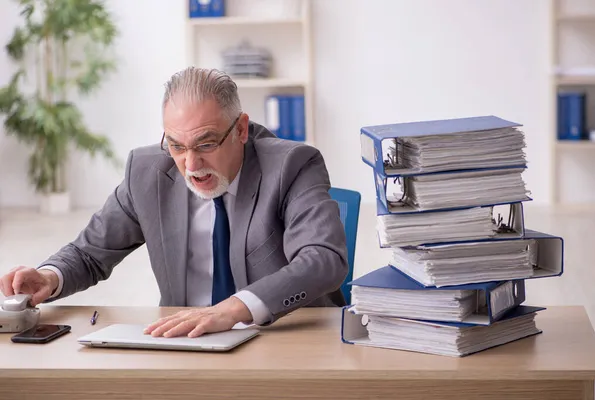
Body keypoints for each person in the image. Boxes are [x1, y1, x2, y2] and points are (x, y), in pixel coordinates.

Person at [0, 67, 349, 338]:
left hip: (282, 339)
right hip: (188, 342)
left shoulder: (292, 165)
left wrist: (233, 309)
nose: (191, 165)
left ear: (241, 130)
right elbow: (89, 253)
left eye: (206, 144)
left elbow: (323, 260)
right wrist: (49, 276)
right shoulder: (147, 172)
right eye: (177, 146)